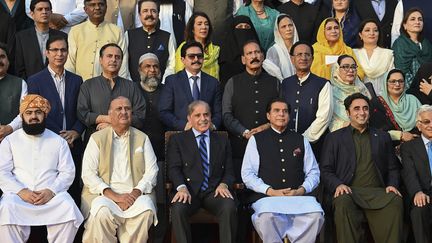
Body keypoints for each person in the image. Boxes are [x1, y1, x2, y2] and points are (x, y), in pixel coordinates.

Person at [321, 92, 403, 243]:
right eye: (356, 109)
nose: (362, 112)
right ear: (348, 113)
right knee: (342, 201)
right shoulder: (334, 138)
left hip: (377, 193)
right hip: (350, 192)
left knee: (395, 200)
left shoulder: (382, 137)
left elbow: (393, 168)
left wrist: (392, 184)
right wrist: (338, 185)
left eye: (365, 108)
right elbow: (326, 170)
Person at [0, 94, 84, 242]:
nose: (34, 117)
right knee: (6, 208)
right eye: (29, 113)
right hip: (18, 196)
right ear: (22, 116)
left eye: (38, 112)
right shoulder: (9, 141)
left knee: (68, 207)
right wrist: (21, 191)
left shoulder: (58, 141)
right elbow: (2, 172)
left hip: (50, 196)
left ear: (44, 115)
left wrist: (51, 191)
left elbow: (67, 172)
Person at [242, 98, 324, 243]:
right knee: (266, 217)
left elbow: (314, 172)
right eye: (277, 111)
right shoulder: (256, 140)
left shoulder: (301, 139)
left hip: (298, 197)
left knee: (316, 215)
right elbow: (248, 174)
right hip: (267, 198)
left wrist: (301, 190)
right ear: (268, 116)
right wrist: (270, 191)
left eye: (285, 111)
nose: (281, 114)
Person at [81, 96, 157, 242]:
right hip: (104, 195)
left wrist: (134, 193)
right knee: (101, 212)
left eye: (127, 108)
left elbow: (152, 171)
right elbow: (88, 174)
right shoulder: (96, 138)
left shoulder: (142, 138)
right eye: (119, 109)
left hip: (135, 195)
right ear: (110, 114)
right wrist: (114, 196)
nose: (124, 112)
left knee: (146, 209)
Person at [167, 100, 237, 243]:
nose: (203, 119)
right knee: (178, 208)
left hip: (214, 192)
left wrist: (224, 184)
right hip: (188, 191)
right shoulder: (177, 139)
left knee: (229, 206)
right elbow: (173, 169)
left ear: (211, 116)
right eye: (197, 115)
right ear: (189, 118)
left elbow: (230, 171)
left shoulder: (222, 139)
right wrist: (181, 187)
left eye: (206, 115)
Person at [26, 35, 84, 205]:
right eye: (55, 50)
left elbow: (81, 111)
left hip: (73, 145)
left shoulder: (77, 80)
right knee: (49, 190)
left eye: (63, 50)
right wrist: (58, 138)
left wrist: (76, 132)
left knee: (72, 190)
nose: (59, 54)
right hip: (47, 144)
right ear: (47, 53)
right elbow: (34, 115)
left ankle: (75, 230)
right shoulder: (35, 80)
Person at [223, 39, 279, 182]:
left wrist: (266, 127)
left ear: (263, 56)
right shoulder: (233, 82)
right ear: (243, 59)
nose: (254, 56)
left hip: (269, 145)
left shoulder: (275, 82)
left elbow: (281, 113)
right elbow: (226, 115)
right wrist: (245, 132)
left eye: (257, 52)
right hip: (239, 146)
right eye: (249, 53)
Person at [77, 43, 145, 143]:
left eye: (117, 57)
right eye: (109, 56)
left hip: (125, 142)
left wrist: (112, 125)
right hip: (95, 141)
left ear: (121, 61)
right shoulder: (88, 85)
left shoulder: (131, 87)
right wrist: (108, 118)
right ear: (100, 60)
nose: (113, 60)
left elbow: (140, 117)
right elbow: (82, 114)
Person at [280, 41, 332, 157]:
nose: (303, 58)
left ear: (312, 59)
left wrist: (304, 139)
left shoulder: (323, 84)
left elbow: (324, 117)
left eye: (307, 54)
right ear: (292, 59)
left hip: (314, 146)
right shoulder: (285, 83)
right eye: (299, 54)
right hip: (287, 144)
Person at [159, 41, 222, 131]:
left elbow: (218, 113)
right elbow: (164, 111)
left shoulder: (213, 82)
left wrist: (213, 125)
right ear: (183, 60)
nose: (196, 59)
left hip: (207, 135)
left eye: (199, 56)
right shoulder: (172, 81)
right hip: (181, 135)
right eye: (191, 56)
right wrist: (183, 126)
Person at [65, 0, 129, 81]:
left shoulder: (116, 31)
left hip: (109, 86)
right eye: (92, 5)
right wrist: (72, 85)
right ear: (85, 9)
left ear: (106, 7)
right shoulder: (76, 31)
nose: (97, 8)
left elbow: (123, 63)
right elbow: (70, 62)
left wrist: (120, 87)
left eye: (101, 4)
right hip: (81, 86)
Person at [401, 105, 432, 243]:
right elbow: (409, 172)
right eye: (426, 122)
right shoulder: (409, 147)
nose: (431, 125)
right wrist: (417, 192)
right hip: (422, 193)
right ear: (419, 126)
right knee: (419, 210)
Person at [15, 0, 67, 80]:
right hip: (30, 87)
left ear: (51, 12)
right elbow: (19, 68)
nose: (44, 12)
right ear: (32, 14)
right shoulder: (21, 37)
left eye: (47, 9)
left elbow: (66, 65)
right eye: (40, 9)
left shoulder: (62, 36)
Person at [126, 0, 175, 83]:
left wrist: (164, 84)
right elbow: (124, 65)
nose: (149, 14)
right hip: (133, 89)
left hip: (160, 89)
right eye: (145, 11)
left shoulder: (167, 37)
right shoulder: (129, 35)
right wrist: (130, 86)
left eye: (153, 11)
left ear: (158, 14)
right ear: (139, 15)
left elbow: (172, 64)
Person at [369, 69, 421, 143]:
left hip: (414, 144)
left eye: (400, 81)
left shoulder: (413, 100)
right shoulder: (376, 103)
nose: (397, 84)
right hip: (388, 146)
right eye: (393, 81)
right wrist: (400, 135)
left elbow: (424, 122)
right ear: (386, 83)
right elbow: (375, 130)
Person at [392, 8, 432, 90]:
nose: (417, 22)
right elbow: (401, 71)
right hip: (408, 90)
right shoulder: (400, 44)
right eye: (412, 19)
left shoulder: (427, 44)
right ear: (405, 25)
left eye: (420, 19)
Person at [136, 53, 166, 161]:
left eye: (156, 66)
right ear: (140, 70)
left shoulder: (168, 91)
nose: (152, 70)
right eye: (147, 66)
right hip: (136, 150)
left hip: (163, 151)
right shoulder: (132, 90)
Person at [329, 54, 370, 132]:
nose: (351, 70)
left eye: (353, 67)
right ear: (337, 69)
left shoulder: (362, 89)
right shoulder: (330, 92)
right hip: (340, 136)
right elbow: (328, 122)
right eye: (345, 67)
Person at [353, 19, 394, 95]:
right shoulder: (353, 53)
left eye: (375, 30)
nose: (372, 33)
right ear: (360, 35)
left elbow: (392, 78)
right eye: (367, 30)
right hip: (358, 97)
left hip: (383, 97)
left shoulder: (388, 54)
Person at [174, 12, 220, 80]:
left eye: (206, 24)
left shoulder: (214, 49)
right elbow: (180, 72)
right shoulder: (184, 47)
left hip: (212, 88)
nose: (204, 27)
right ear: (192, 29)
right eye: (199, 24)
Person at [219, 15, 260, 86]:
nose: (243, 30)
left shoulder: (260, 55)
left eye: (247, 27)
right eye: (240, 27)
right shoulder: (226, 57)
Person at [0, 42, 27, 141]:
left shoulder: (20, 83)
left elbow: (24, 112)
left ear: (8, 61)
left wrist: (9, 128)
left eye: (2, 57)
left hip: (13, 139)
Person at [262, 14, 299, 81]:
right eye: (283, 27)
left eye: (290, 25)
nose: (288, 29)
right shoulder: (273, 51)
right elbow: (273, 74)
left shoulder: (301, 48)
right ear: (278, 30)